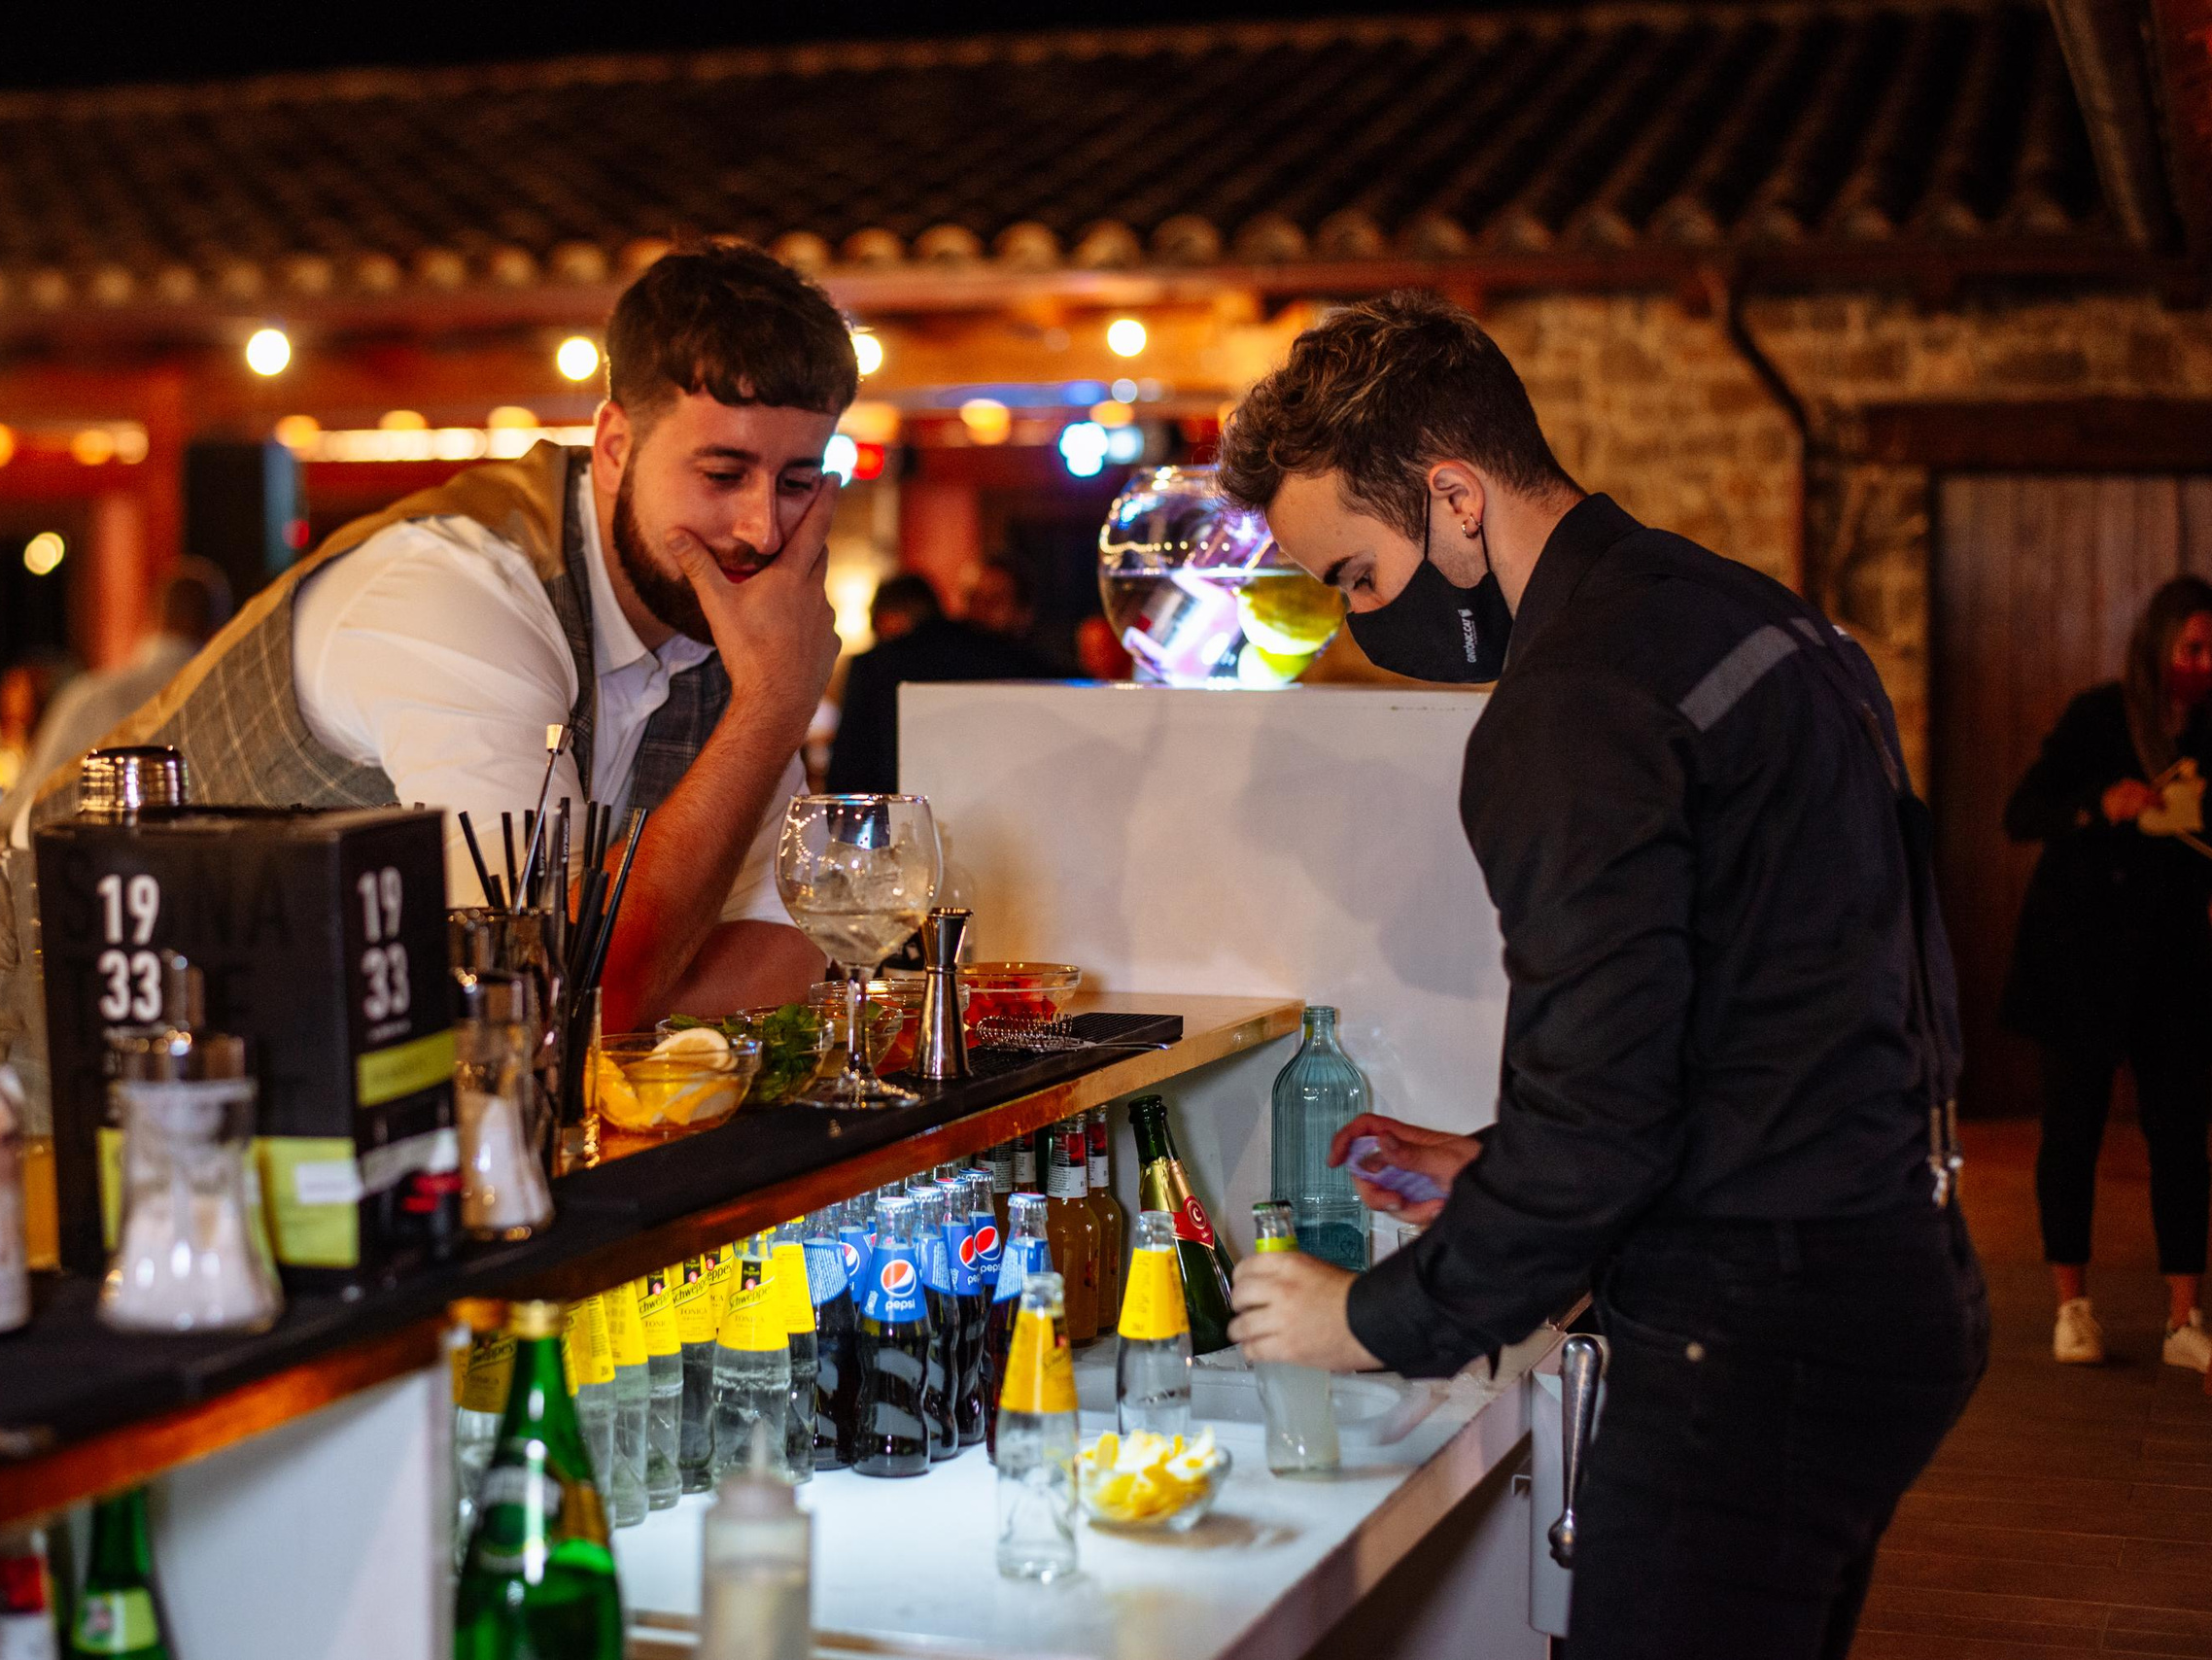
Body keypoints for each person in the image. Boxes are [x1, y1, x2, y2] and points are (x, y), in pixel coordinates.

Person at [1215, 294, 1987, 1659]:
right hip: (1895, 1271)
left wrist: (1374, 1319)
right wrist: (1499, 1167)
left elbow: (1608, 1108)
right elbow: (1777, 1006)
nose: (1355, 622)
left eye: (1356, 577)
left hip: (1755, 1327)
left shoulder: (1570, 701)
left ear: (1454, 498)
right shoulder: (1737, 616)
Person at [35, 240, 851, 1030]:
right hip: (62, 1055)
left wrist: (613, 989)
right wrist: (773, 705)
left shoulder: (724, 617)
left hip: (342, 1111)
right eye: (722, 475)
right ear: (613, 446)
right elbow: (558, 985)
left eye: (797, 482)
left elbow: (791, 953)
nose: (764, 528)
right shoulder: (460, 591)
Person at [2002, 574, 2212, 1371]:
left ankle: (2183, 1317)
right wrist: (2102, 803)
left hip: (2175, 968)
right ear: (2160, 645)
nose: (2203, 663)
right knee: (2072, 1133)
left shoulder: (2209, 730)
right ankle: (2071, 1305)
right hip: (2082, 960)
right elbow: (2024, 812)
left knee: (2182, 1140)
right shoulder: (2100, 716)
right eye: (2192, 648)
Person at [5, 561, 233, 841]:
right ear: (217, 630)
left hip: (81, 870)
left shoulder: (86, 698)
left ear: (151, 622)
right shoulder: (226, 702)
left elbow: (20, 809)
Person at [824, 569, 1056, 794]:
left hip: (894, 819)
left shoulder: (875, 664)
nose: (980, 608)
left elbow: (847, 772)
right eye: (974, 598)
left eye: (994, 600)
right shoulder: (1014, 662)